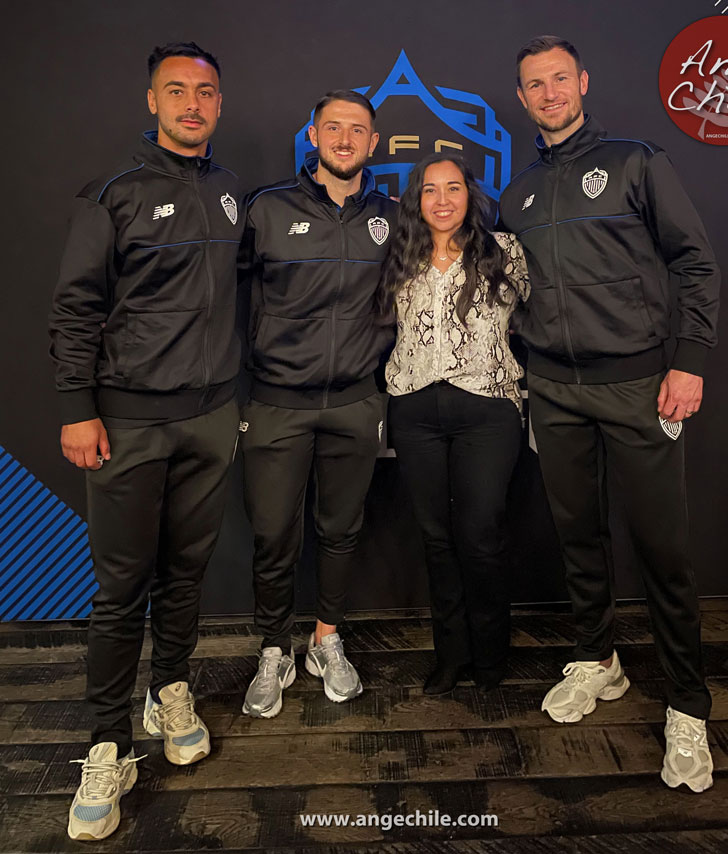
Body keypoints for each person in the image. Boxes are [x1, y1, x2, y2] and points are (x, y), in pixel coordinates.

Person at [498, 36, 720, 792]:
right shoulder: (518, 192)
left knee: (663, 548)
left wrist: (688, 360)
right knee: (578, 536)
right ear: (522, 98)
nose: (550, 92)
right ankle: (600, 659)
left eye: (561, 78)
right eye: (536, 84)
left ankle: (688, 705)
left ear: (583, 82)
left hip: (637, 386)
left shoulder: (635, 160)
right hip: (554, 390)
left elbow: (694, 260)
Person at [49, 42, 243, 840]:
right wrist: (76, 406)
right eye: (177, 91)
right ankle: (106, 744)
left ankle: (171, 692)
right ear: (152, 102)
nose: (192, 104)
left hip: (208, 419)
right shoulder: (114, 193)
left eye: (204, 92)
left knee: (185, 573)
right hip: (126, 421)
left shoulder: (232, 192)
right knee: (122, 588)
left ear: (219, 105)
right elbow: (76, 306)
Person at [240, 90, 397, 718]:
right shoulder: (266, 209)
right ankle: (274, 647)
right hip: (276, 402)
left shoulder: (393, 214)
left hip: (357, 402)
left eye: (357, 129)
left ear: (373, 143)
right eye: (332, 127)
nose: (344, 138)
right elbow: (214, 293)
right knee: (274, 533)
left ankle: (326, 639)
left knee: (340, 530)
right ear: (312, 135)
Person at [378, 153, 529, 695]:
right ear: (414, 200)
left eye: (454, 188)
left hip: (488, 408)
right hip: (414, 409)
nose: (442, 200)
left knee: (481, 535)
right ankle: (451, 656)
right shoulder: (400, 256)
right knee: (435, 538)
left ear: (471, 196)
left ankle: (490, 657)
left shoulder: (504, 253)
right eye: (430, 190)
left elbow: (548, 316)